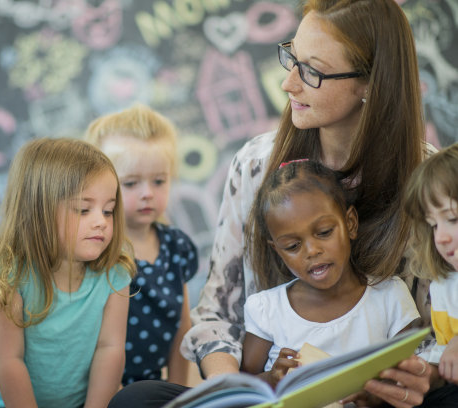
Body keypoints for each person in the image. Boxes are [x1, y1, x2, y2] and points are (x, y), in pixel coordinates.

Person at [109, 0, 453, 407]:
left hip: (377, 402)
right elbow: (219, 316)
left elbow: (438, 330)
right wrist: (236, 393)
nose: (289, 83)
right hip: (273, 398)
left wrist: (422, 378)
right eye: (292, 58)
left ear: (370, 83)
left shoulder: (427, 177)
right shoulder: (255, 165)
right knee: (138, 399)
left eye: (312, 71)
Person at [0, 138, 136, 408]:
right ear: (38, 210)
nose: (101, 222)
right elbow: (9, 360)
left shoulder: (114, 273)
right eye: (83, 209)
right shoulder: (8, 275)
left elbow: (110, 349)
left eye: (108, 210)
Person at [241, 160, 419, 388]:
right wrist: (272, 379)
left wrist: (374, 396)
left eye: (324, 232)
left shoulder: (389, 297)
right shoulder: (267, 310)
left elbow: (410, 376)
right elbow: (244, 387)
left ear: (350, 223)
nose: (312, 251)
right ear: (277, 251)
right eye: (293, 246)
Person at [85, 103, 198, 386]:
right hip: (94, 388)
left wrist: (178, 392)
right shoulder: (95, 249)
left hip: (150, 385)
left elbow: (181, 325)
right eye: (131, 183)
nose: (147, 193)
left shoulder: (174, 247)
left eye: (159, 181)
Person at [404, 143, 458, 386]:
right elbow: (444, 356)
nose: (441, 237)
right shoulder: (444, 286)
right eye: (434, 225)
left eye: (452, 219)